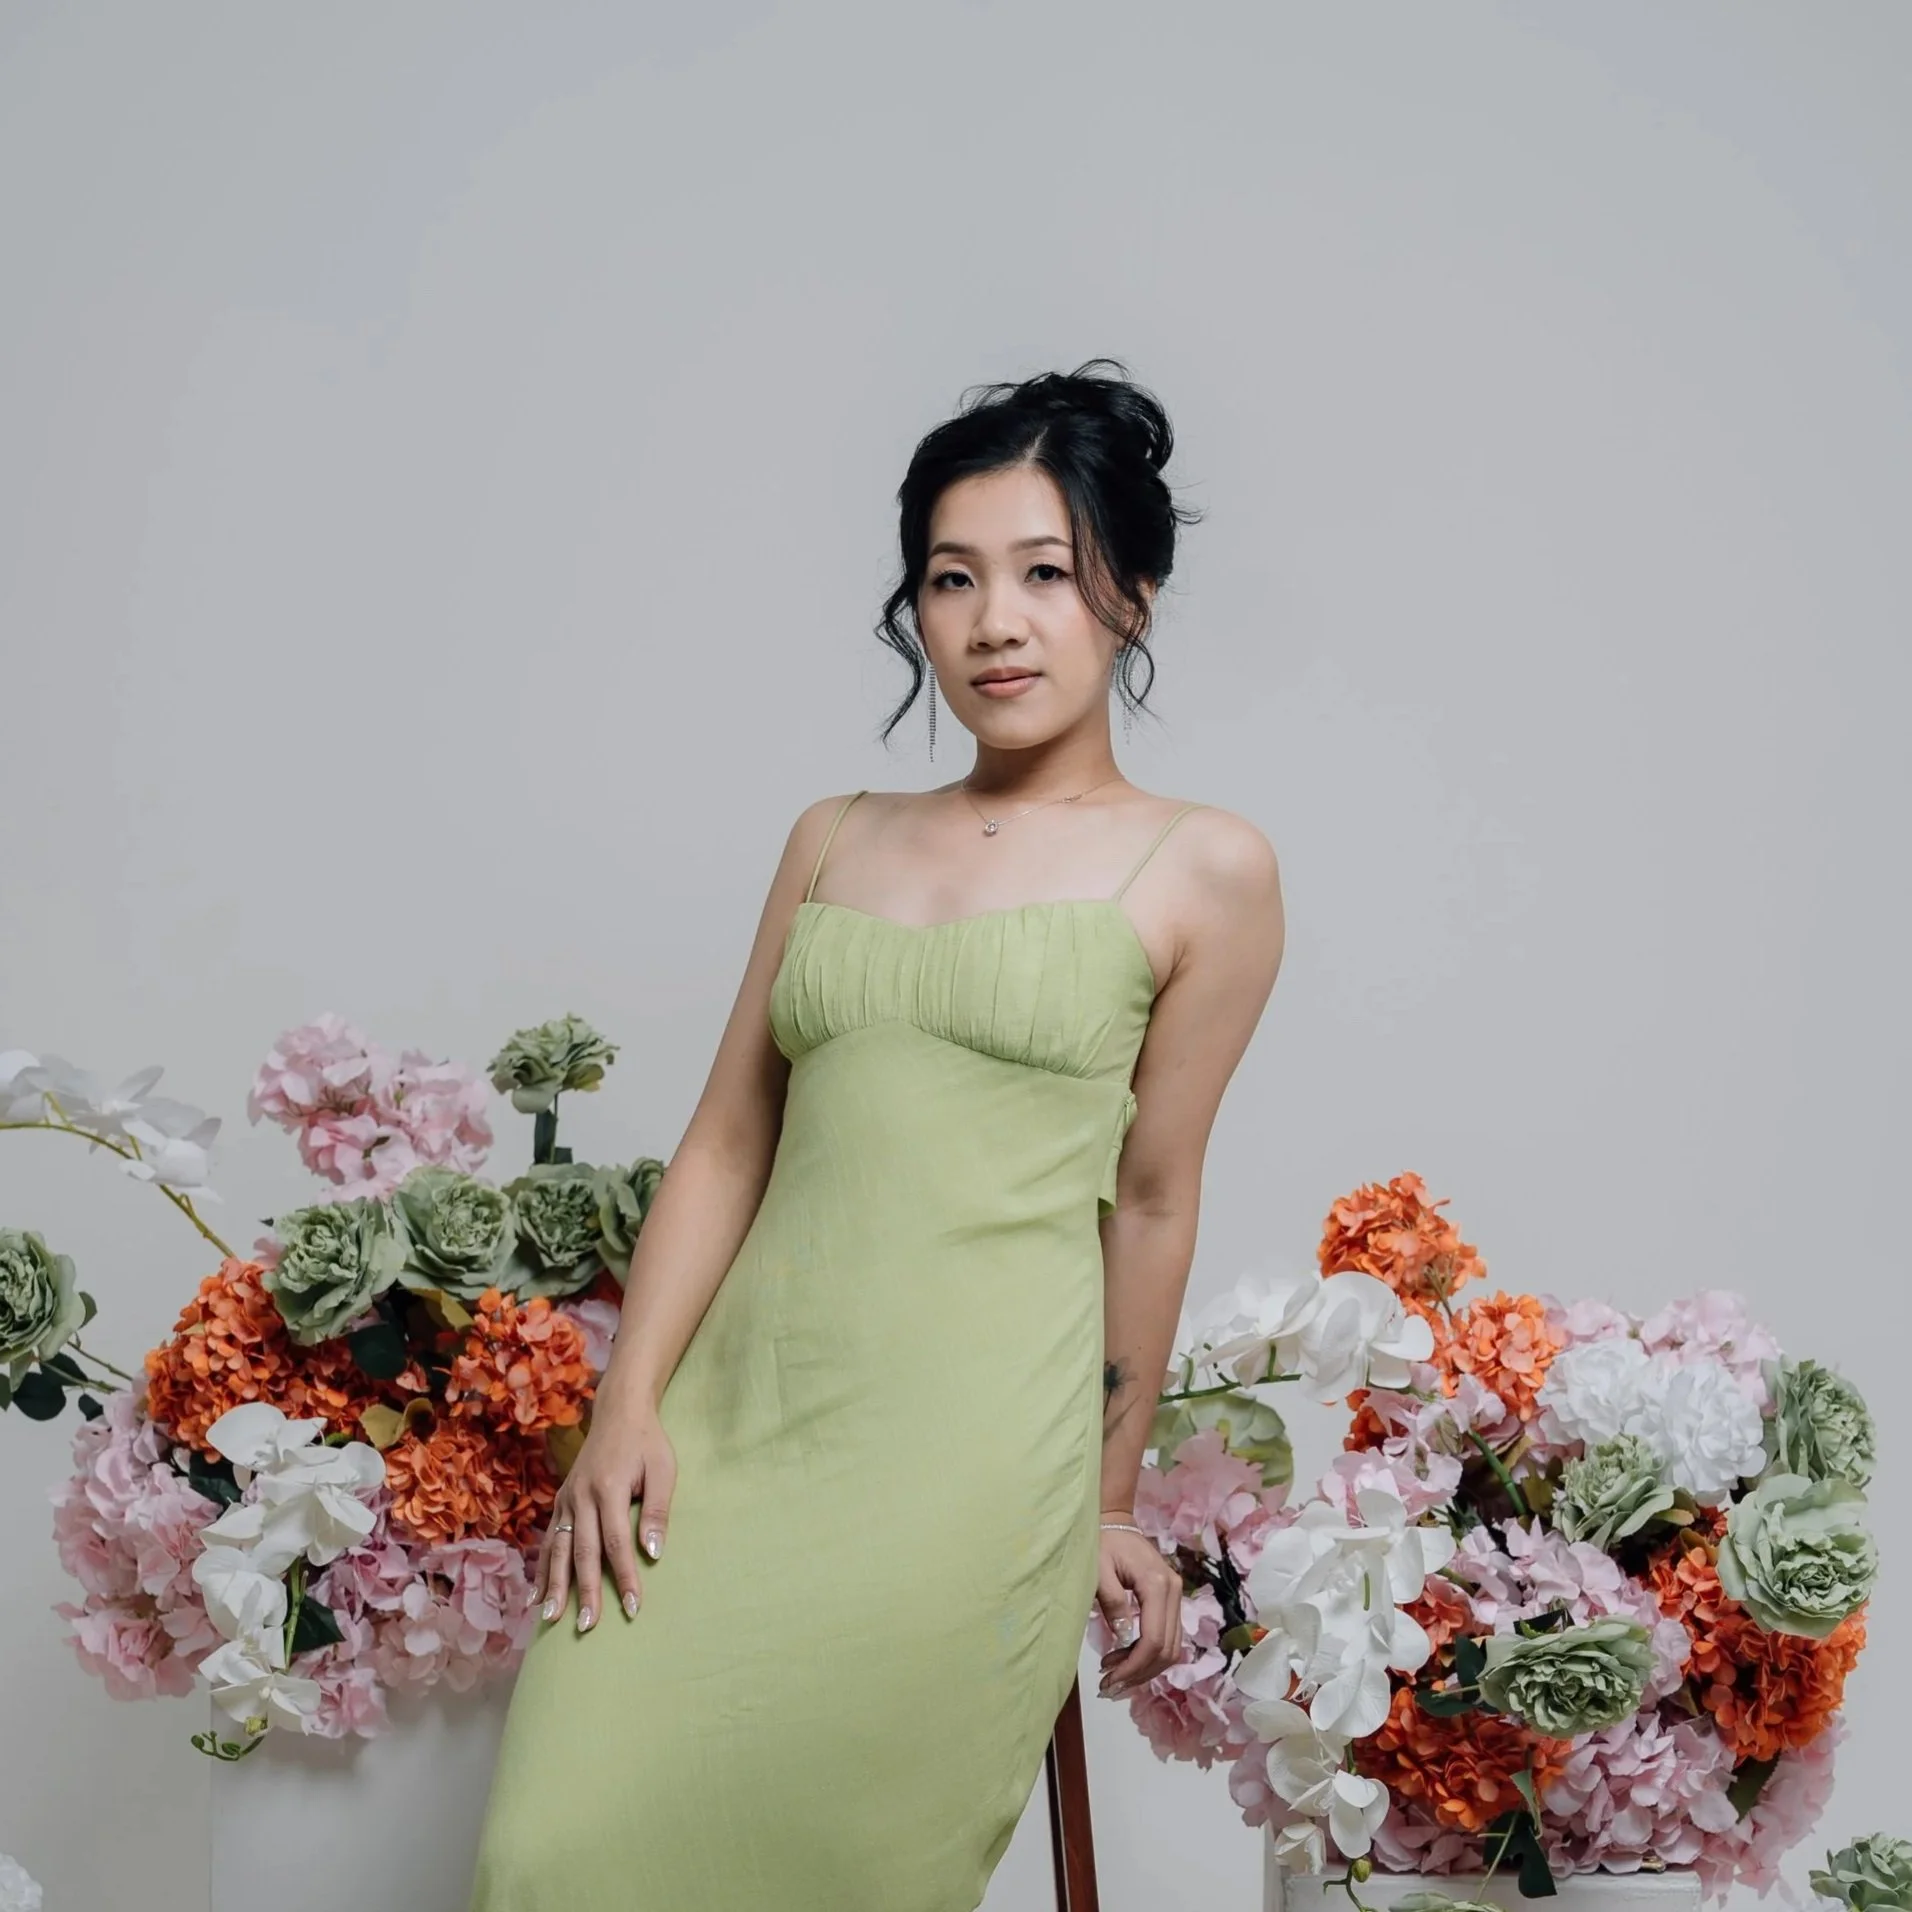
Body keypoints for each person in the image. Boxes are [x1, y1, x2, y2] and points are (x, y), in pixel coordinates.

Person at [465, 358, 1286, 1911]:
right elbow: (725, 1145)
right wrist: (626, 1408)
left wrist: (1109, 1503)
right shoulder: (833, 838)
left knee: (839, 1874)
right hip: (727, 1434)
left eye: (1046, 574)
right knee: (548, 1856)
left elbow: (1153, 1202)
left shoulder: (1207, 870)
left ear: (1133, 595)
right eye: (952, 578)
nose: (995, 622)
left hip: (967, 1471)